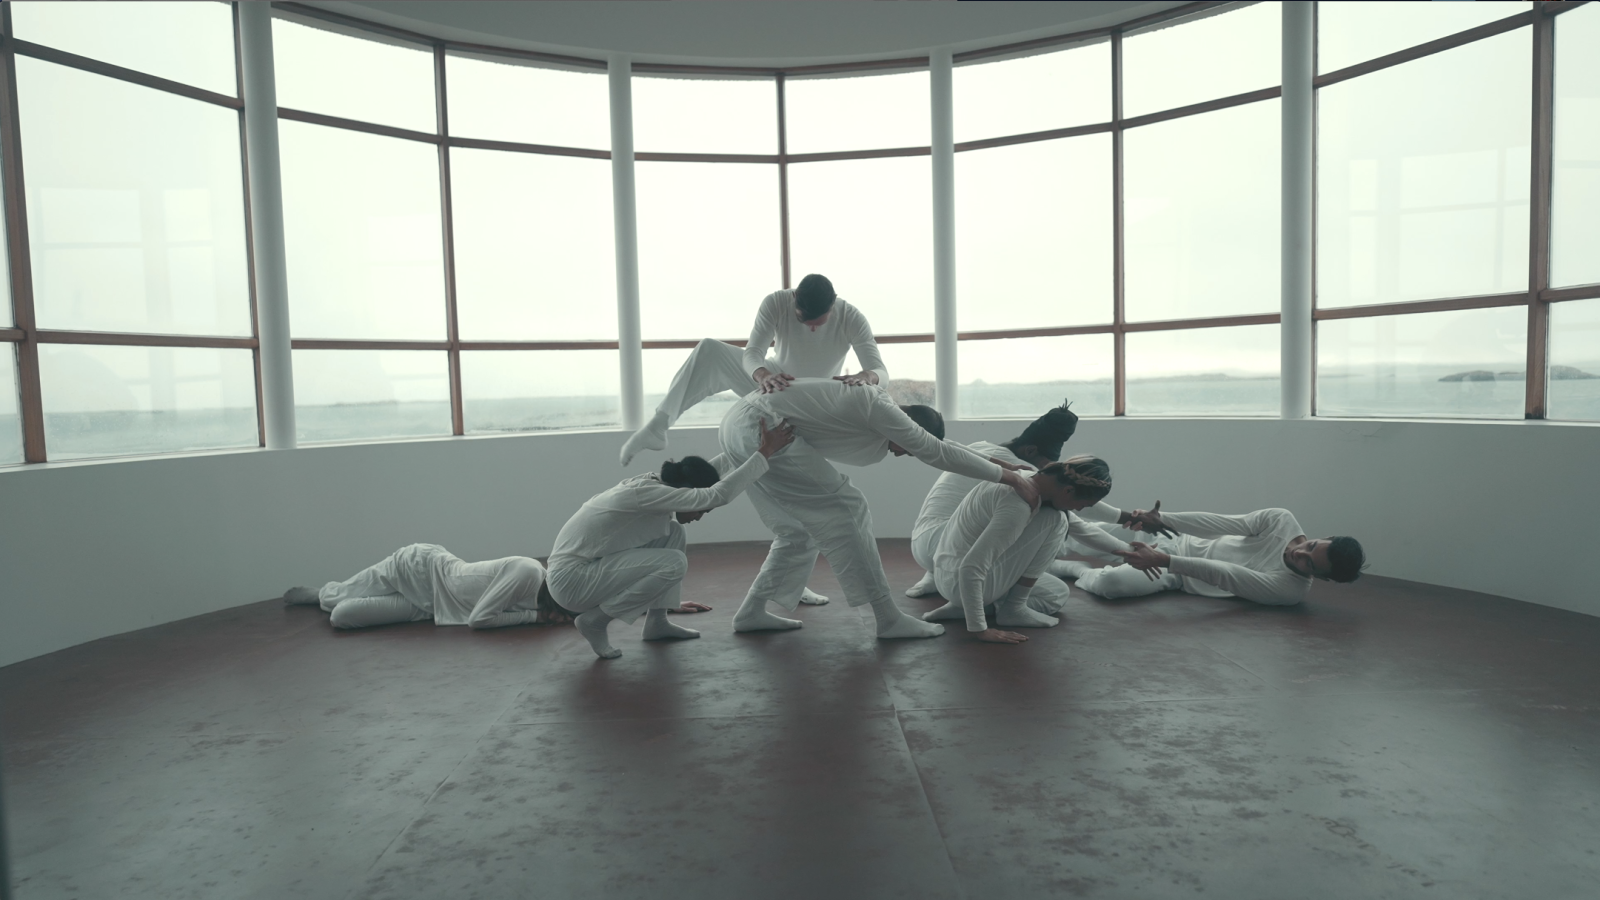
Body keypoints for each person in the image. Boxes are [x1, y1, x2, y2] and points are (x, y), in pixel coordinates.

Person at [718, 376, 1039, 639]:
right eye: (907, 448)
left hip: (742, 424)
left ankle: (751, 612)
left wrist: (1004, 465)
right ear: (907, 427)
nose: (905, 454)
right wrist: (1014, 480)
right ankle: (887, 617)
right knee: (849, 506)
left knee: (797, 531)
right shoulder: (879, 408)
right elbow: (934, 451)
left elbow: (940, 446)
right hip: (763, 428)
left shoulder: (885, 411)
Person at [550, 417, 796, 659]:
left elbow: (713, 477)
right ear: (686, 490)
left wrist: (752, 443)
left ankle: (657, 624)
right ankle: (596, 620)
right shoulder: (646, 494)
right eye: (702, 510)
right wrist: (766, 450)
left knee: (674, 532)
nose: (700, 516)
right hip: (572, 582)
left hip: (581, 573)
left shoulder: (657, 487)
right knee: (674, 562)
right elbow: (715, 494)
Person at [619, 273, 885, 466]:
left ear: (833, 304)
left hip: (816, 396)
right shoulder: (776, 302)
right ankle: (658, 426)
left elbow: (880, 371)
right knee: (709, 349)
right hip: (776, 381)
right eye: (805, 321)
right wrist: (762, 375)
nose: (811, 328)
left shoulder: (851, 316)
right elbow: (753, 353)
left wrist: (867, 375)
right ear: (794, 299)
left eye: (818, 322)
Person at [903, 401, 1156, 599]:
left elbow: (1079, 504)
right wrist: (1127, 545)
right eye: (1047, 466)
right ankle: (994, 599)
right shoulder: (1021, 471)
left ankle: (934, 576)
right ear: (1031, 451)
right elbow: (1077, 518)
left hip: (920, 543)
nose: (1050, 473)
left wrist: (1126, 518)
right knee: (1052, 522)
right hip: (946, 551)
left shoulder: (983, 447)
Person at [922, 457, 1129, 645]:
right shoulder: (1017, 506)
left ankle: (966, 608)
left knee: (1056, 594)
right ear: (1068, 491)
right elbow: (971, 567)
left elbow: (1082, 528)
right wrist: (980, 630)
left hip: (947, 577)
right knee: (1056, 520)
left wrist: (1129, 552)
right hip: (961, 579)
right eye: (1083, 504)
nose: (1080, 510)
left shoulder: (1025, 480)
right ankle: (1012, 608)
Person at [1052, 502, 1366, 606]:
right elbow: (1220, 523)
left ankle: (1074, 570)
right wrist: (1163, 521)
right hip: (1181, 542)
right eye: (1310, 546)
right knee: (1088, 534)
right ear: (1323, 537)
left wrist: (1164, 561)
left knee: (1112, 585)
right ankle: (1042, 545)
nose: (1298, 552)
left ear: (1321, 578)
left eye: (1308, 563)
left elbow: (1223, 573)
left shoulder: (1289, 591)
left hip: (1179, 573)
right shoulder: (1281, 520)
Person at [281, 544, 573, 630]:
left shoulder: (540, 603)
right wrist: (536, 619)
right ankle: (322, 592)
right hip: (421, 569)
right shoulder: (528, 572)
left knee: (340, 617)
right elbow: (479, 620)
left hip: (429, 608)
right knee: (338, 597)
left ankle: (330, 598)